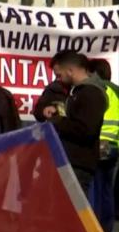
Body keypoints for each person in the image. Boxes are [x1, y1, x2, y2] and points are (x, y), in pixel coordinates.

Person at [41, 51, 106, 193]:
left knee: (73, 212)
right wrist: (58, 111)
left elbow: (85, 130)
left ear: (70, 71)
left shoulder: (91, 93)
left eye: (59, 75)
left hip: (78, 165)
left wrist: (57, 121)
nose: (58, 79)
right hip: (71, 162)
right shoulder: (77, 92)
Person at [87, 58, 118, 232]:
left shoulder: (98, 89)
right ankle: (107, 231)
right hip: (114, 145)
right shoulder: (117, 90)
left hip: (99, 144)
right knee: (107, 190)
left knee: (94, 189)